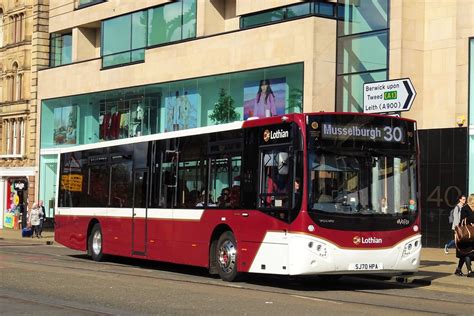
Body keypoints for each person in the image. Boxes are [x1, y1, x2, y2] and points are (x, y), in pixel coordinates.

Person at [454, 193, 474, 277]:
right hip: (466, 234)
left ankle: (458, 270)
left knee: (465, 253)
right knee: (467, 252)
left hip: (473, 235)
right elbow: (462, 220)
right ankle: (469, 271)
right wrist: (471, 223)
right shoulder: (464, 208)